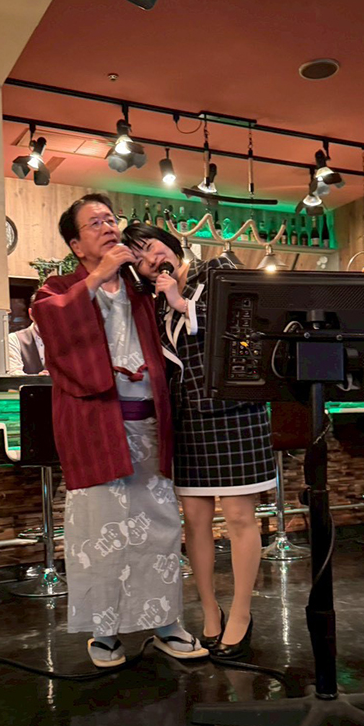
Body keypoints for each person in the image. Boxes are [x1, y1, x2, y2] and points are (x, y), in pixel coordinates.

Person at [32, 194, 207, 668]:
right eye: (95, 223)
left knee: (160, 527)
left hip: (149, 423)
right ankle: (105, 631)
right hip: (95, 425)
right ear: (76, 244)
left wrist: (162, 266)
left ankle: (166, 622)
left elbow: (178, 293)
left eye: (111, 219)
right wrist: (96, 277)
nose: (109, 227)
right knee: (99, 529)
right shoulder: (58, 288)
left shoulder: (139, 287)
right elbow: (50, 321)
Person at [124, 223, 277, 660]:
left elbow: (251, 330)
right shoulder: (154, 304)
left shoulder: (218, 271)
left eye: (151, 247)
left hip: (235, 414)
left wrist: (182, 303)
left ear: (171, 244)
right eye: (140, 259)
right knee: (194, 521)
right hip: (188, 420)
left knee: (240, 517)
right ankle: (210, 611)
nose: (151, 260)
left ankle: (241, 614)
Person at [6, 292, 48, 375]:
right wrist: (38, 379)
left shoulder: (68, 340)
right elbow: (14, 373)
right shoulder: (14, 339)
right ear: (31, 313)